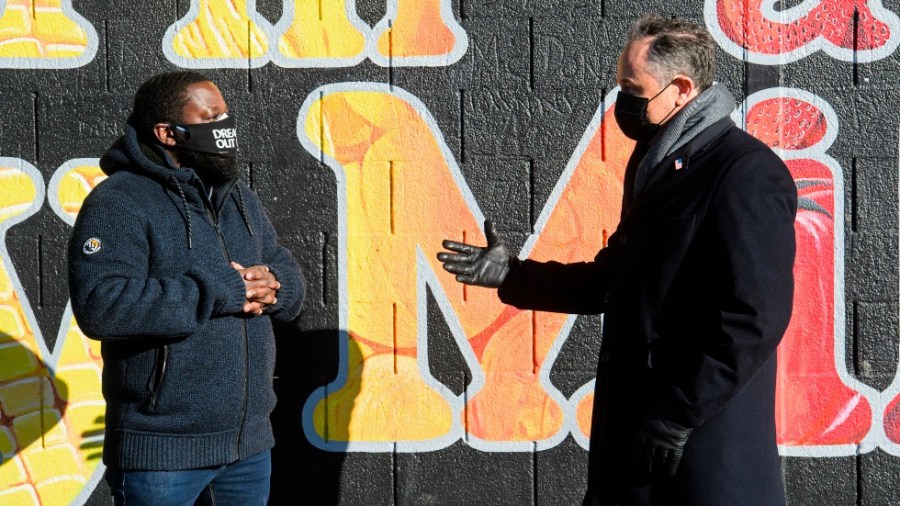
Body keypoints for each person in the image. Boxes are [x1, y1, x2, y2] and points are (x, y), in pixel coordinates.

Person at [437, 15, 796, 506]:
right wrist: (514, 276)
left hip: (701, 456)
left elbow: (755, 317)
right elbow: (610, 282)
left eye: (632, 87)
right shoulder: (657, 164)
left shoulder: (745, 173)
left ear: (681, 89)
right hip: (634, 447)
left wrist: (680, 414)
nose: (621, 101)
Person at [68, 71, 306, 506]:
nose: (225, 127)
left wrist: (277, 287)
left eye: (226, 115)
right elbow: (101, 305)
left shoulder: (237, 197)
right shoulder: (118, 201)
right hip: (162, 455)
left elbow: (283, 266)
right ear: (167, 133)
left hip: (248, 447)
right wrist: (222, 290)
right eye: (211, 117)